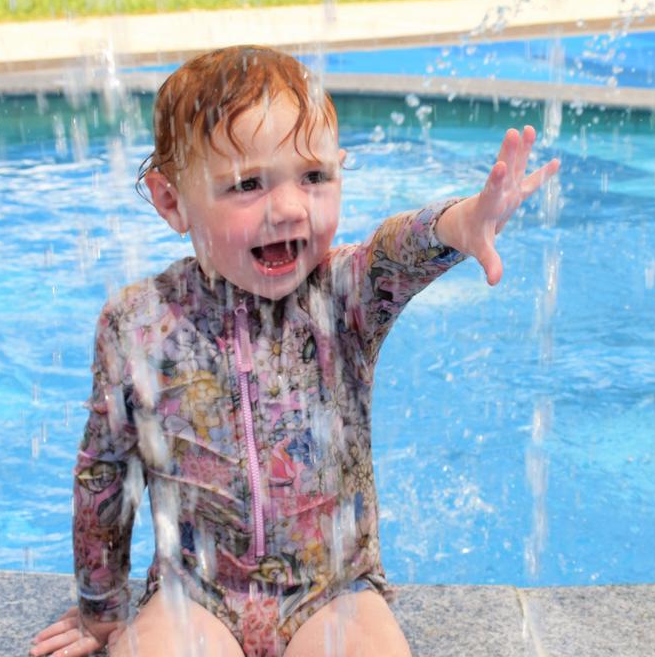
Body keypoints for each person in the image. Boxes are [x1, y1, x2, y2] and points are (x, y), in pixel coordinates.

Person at [28, 45, 560, 657]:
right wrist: (102, 607)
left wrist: (459, 225)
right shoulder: (139, 323)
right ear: (172, 201)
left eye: (313, 177)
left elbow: (395, 250)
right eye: (248, 184)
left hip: (333, 590)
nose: (287, 207)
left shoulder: (344, 294)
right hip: (196, 593)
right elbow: (104, 473)